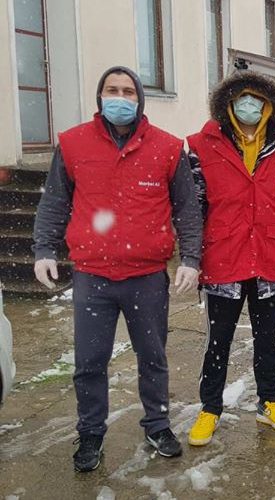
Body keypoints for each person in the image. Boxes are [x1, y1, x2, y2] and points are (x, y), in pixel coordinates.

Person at [33, 66, 203, 472]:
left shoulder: (166, 148)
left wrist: (191, 258)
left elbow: (187, 208)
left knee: (153, 357)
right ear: (100, 96)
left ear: (140, 99)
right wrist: (44, 249)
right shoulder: (73, 144)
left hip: (146, 277)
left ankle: (157, 424)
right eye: (112, 90)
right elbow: (55, 201)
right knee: (89, 362)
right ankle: (91, 432)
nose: (120, 98)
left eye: (128, 92)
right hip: (93, 276)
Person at [185, 71, 275, 446]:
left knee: (268, 338)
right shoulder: (202, 145)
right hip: (223, 259)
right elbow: (192, 208)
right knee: (218, 341)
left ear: (269, 105)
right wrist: (191, 257)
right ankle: (210, 408)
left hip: (271, 257)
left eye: (257, 99)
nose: (249, 105)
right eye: (242, 98)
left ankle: (269, 402)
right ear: (228, 103)